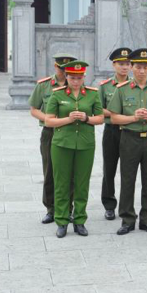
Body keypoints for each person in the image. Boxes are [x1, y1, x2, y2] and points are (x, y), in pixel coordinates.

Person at [107, 48, 147, 235]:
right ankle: (127, 220)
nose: (141, 71)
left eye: (145, 67)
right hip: (129, 138)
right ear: (132, 68)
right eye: (138, 67)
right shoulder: (122, 89)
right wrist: (134, 117)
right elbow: (113, 117)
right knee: (128, 180)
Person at [44, 61, 104, 238]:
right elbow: (49, 121)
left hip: (85, 144)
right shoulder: (57, 94)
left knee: (82, 184)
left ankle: (79, 220)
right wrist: (68, 119)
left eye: (79, 78)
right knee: (61, 183)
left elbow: (100, 118)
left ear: (84, 77)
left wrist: (86, 118)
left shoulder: (92, 94)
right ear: (67, 77)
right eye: (72, 78)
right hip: (62, 144)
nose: (76, 81)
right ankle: (61, 221)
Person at [29, 53, 75, 224]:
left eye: (67, 69)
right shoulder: (44, 85)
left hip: (70, 132)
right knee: (50, 172)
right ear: (55, 67)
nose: (63, 72)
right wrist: (50, 118)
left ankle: (68, 208)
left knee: (69, 172)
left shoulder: (77, 84)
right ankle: (51, 208)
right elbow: (34, 109)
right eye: (61, 69)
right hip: (50, 133)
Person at [98, 48, 132, 221]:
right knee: (109, 169)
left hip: (129, 132)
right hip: (111, 132)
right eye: (121, 64)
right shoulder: (105, 87)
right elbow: (97, 108)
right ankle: (109, 205)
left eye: (127, 64)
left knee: (128, 171)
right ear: (114, 65)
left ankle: (126, 206)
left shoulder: (134, 85)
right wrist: (116, 114)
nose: (124, 67)